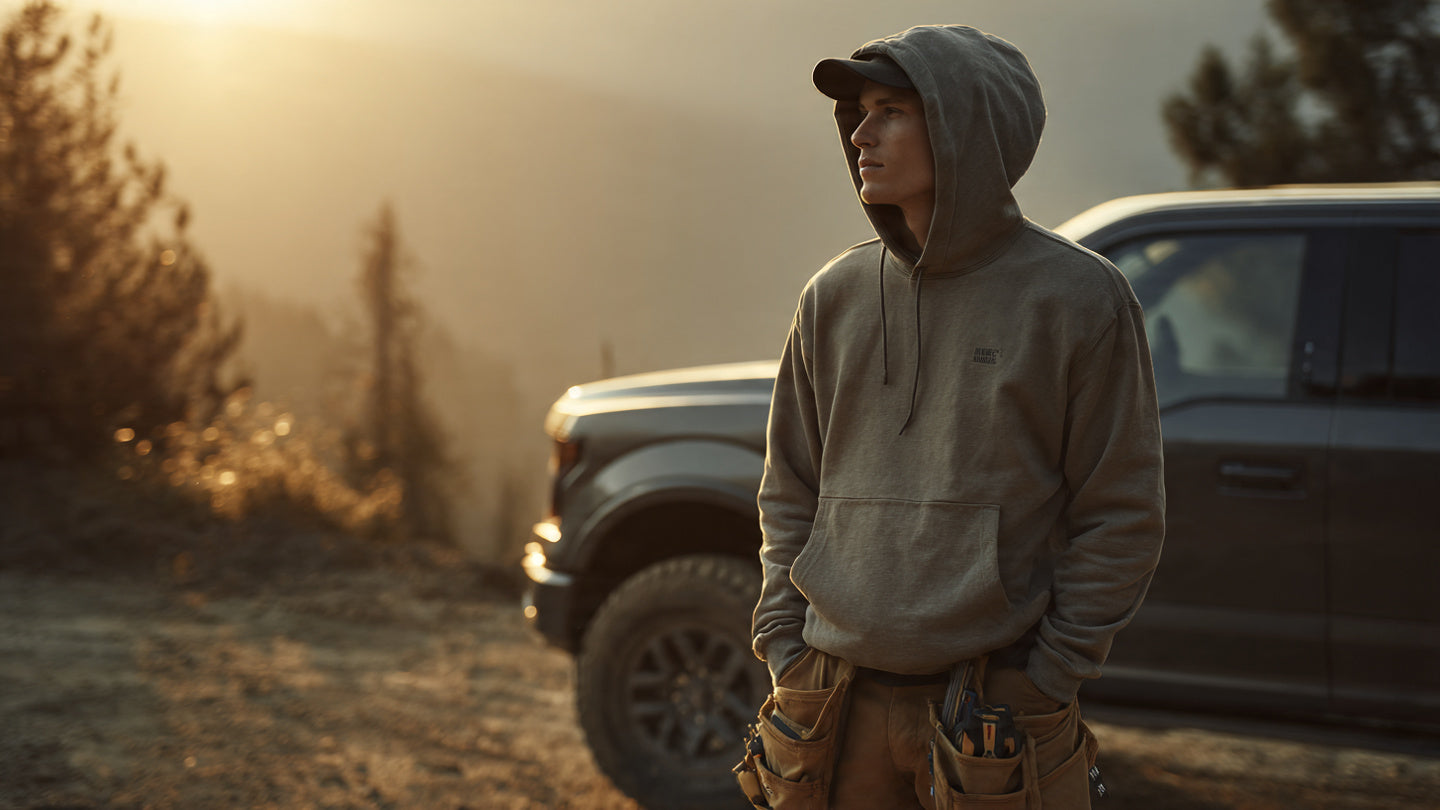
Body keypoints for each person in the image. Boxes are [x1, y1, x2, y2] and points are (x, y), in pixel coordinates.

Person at [744, 24, 1165, 810]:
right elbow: (788, 490)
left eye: (891, 110)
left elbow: (1123, 512)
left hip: (996, 714)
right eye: (858, 112)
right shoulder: (832, 298)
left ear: (963, 129)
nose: (860, 133)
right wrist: (784, 650)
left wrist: (1048, 679)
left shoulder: (1076, 300)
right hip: (835, 706)